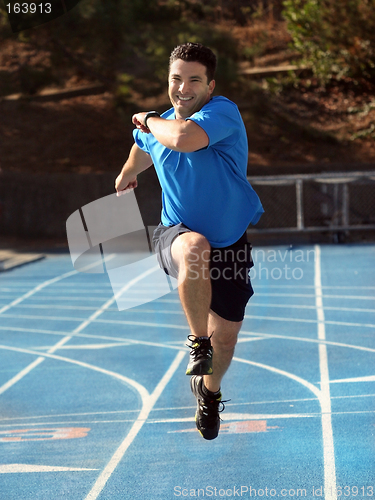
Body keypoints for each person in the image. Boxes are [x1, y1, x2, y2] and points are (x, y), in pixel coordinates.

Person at [115, 42, 264, 440]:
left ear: (210, 85)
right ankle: (198, 344)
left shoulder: (221, 113)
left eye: (193, 80)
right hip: (175, 234)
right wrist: (127, 172)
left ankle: (209, 392)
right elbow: (141, 149)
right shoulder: (156, 125)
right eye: (176, 79)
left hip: (230, 241)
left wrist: (145, 119)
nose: (183, 87)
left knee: (228, 337)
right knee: (194, 246)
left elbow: (181, 138)